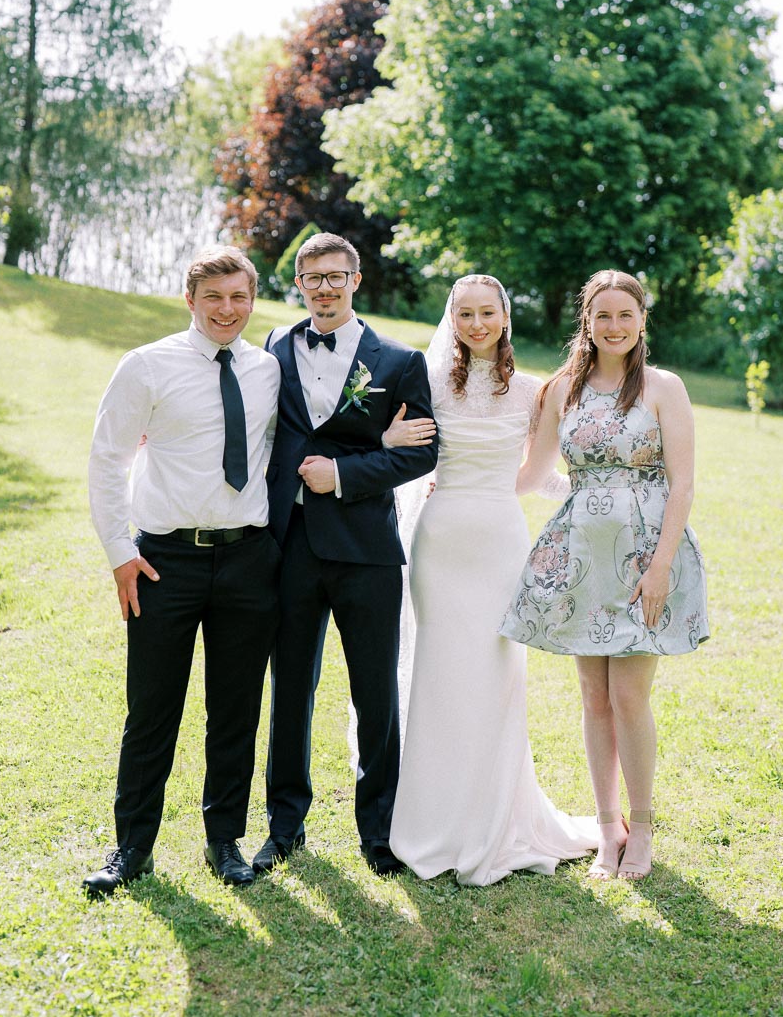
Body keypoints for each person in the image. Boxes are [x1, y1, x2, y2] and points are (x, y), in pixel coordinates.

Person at [384, 275, 598, 886]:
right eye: (465, 314)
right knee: (440, 675)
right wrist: (388, 438)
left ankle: (498, 816)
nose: (476, 324)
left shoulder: (533, 392)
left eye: (487, 313)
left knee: (497, 677)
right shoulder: (427, 384)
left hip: (500, 544)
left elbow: (539, 475)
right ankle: (434, 818)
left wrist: (592, 491)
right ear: (452, 320)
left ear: (505, 316)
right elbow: (400, 453)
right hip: (441, 543)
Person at [83, 246, 282, 896]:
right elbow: (107, 458)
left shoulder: (267, 370)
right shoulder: (147, 365)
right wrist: (120, 551)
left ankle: (224, 840)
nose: (227, 309)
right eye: (213, 297)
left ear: (252, 300)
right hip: (163, 562)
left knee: (236, 710)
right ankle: (132, 847)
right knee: (152, 709)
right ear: (190, 300)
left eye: (238, 296)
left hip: (248, 559)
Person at [500, 269, 709, 881]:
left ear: (642, 320)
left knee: (629, 696)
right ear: (587, 322)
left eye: (625, 315)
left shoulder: (664, 388)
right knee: (594, 697)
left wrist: (661, 567)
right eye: (602, 316)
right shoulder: (562, 389)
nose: (614, 326)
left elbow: (683, 484)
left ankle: (642, 829)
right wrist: (462, 484)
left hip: (647, 555)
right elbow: (534, 473)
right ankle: (607, 828)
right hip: (583, 554)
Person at [257, 232, 438, 877]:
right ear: (299, 284)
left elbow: (423, 451)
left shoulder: (399, 361)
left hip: (366, 549)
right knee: (290, 689)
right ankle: (284, 827)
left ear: (355, 281)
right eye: (313, 278)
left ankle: (380, 832)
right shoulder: (275, 347)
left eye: (336, 276)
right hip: (291, 546)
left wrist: (346, 473)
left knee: (375, 692)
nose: (325, 288)